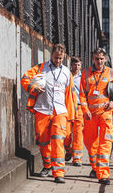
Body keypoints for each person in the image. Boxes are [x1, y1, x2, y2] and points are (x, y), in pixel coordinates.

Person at [20, 44, 77, 183]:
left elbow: (70, 95)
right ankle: (47, 165)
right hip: (42, 109)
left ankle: (59, 173)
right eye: (56, 58)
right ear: (51, 55)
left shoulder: (66, 73)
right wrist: (33, 87)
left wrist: (71, 116)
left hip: (60, 111)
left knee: (58, 140)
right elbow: (25, 78)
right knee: (43, 141)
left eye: (61, 58)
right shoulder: (40, 68)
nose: (58, 61)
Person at [79, 48, 113, 185]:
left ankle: (103, 174)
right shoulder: (86, 73)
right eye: (96, 58)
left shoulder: (112, 73)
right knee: (89, 143)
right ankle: (95, 167)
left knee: (105, 143)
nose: (99, 61)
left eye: (101, 59)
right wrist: (84, 108)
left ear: (105, 59)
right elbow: (82, 94)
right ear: (93, 59)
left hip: (106, 113)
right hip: (90, 115)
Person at [64, 57, 84, 167]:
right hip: (67, 107)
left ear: (81, 66)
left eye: (78, 65)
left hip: (79, 108)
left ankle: (77, 158)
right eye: (74, 65)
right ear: (71, 65)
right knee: (66, 134)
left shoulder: (83, 78)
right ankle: (68, 150)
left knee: (78, 134)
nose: (76, 67)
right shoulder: (66, 75)